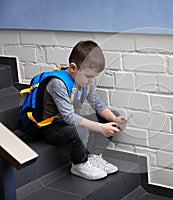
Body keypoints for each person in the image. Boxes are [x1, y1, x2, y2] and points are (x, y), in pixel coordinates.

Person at [42, 40, 127, 180]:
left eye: (94, 76)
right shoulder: (58, 83)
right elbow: (69, 118)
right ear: (73, 68)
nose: (92, 80)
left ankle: (94, 156)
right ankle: (79, 164)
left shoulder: (86, 82)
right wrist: (100, 128)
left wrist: (115, 119)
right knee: (80, 129)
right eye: (89, 76)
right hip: (52, 128)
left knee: (110, 117)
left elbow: (98, 104)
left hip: (68, 123)